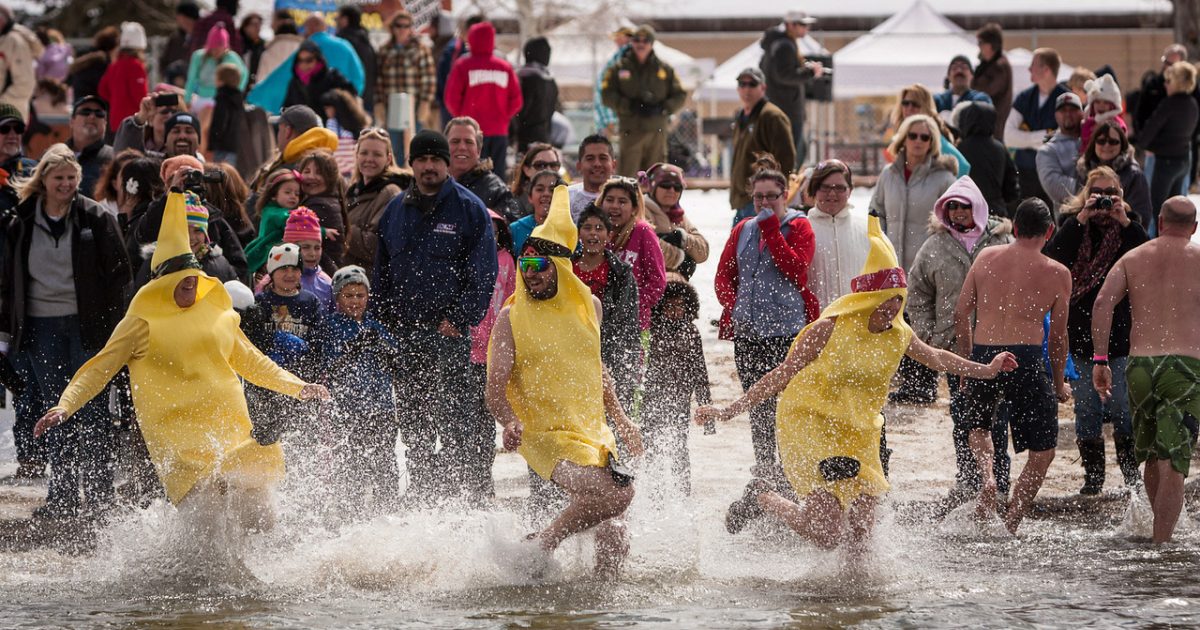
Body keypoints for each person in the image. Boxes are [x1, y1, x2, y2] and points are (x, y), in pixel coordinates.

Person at [698, 215, 1017, 553]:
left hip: (858, 431)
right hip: (810, 422)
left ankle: (854, 598)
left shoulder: (899, 334)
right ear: (867, 297)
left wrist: (987, 369)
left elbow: (938, 358)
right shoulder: (830, 328)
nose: (892, 307)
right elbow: (782, 374)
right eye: (885, 298)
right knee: (826, 532)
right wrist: (727, 410)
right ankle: (763, 497)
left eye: (898, 298)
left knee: (861, 532)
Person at [36, 190, 329, 535]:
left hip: (228, 428)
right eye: (183, 278)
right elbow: (100, 367)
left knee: (261, 521)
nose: (191, 283)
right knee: (207, 531)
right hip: (178, 440)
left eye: (194, 277)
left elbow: (253, 361)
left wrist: (298, 387)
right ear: (163, 282)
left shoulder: (217, 311)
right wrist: (65, 405)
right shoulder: (140, 322)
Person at [486, 185, 644, 580]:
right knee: (617, 492)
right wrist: (510, 421)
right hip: (544, 436)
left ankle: (590, 608)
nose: (533, 276)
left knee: (616, 538)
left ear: (563, 268)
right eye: (527, 267)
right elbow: (495, 385)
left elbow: (597, 369)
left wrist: (622, 419)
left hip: (591, 431)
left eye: (541, 267)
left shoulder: (591, 306)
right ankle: (541, 546)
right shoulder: (511, 318)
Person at [1, 145, 132, 518]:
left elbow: (119, 274)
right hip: (41, 326)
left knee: (92, 411)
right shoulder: (21, 220)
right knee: (54, 412)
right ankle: (62, 497)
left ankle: (99, 497)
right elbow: (8, 281)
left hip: (87, 327)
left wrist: (113, 327)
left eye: (72, 178)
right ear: (43, 179)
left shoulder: (95, 216)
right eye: (58, 178)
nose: (66, 184)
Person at [372, 130, 498, 504]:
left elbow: (484, 272)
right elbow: (382, 273)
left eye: (436, 160)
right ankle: (423, 492)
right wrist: (384, 325)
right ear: (411, 164)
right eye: (422, 160)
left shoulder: (468, 207)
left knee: (456, 419)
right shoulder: (395, 209)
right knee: (412, 419)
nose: (429, 166)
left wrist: (460, 319)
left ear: (447, 164)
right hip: (405, 334)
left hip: (448, 335)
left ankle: (460, 494)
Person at [954, 198, 1072, 534]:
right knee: (1043, 450)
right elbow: (1059, 338)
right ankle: (1011, 523)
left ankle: (989, 477)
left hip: (984, 352)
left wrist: (966, 365)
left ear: (1015, 228)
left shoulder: (986, 257)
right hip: (1027, 357)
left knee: (978, 427)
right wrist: (1059, 382)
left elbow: (960, 313)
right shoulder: (1058, 273)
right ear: (1049, 231)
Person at [1091, 196, 1200, 543]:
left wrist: (1100, 359)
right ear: (1194, 228)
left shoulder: (1133, 257)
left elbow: (1102, 302)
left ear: (1160, 223)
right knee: (1175, 458)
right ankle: (1161, 546)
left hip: (1139, 366)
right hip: (1184, 366)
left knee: (1152, 454)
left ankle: (1158, 534)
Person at [907, 177, 1014, 497]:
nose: (957, 213)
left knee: (998, 416)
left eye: (963, 206)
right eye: (951, 206)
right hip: (955, 348)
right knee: (962, 414)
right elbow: (917, 294)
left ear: (977, 207)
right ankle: (968, 480)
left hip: (998, 344)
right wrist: (930, 335)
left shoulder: (1003, 241)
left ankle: (999, 482)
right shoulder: (934, 245)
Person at [1045, 167, 1148, 494]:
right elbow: (1053, 257)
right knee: (1086, 408)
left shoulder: (1132, 225)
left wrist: (1124, 221)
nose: (1105, 200)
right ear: (1086, 194)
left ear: (1120, 194)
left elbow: (1146, 257)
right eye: (1098, 193)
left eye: (1111, 193)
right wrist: (1082, 217)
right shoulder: (1074, 224)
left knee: (1122, 407)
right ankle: (1093, 479)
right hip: (1079, 329)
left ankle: (1132, 478)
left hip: (1120, 332)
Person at [715, 169, 820, 481]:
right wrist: (735, 307)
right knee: (757, 403)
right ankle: (764, 468)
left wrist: (773, 231)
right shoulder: (742, 229)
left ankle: (793, 470)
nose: (764, 202)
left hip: (787, 331)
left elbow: (796, 269)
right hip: (748, 333)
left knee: (788, 405)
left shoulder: (800, 226)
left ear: (784, 194)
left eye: (771, 196)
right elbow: (724, 276)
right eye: (758, 196)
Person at [315, 265, 401, 515]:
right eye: (348, 295)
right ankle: (348, 513)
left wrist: (384, 346)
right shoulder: (330, 326)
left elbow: (397, 360)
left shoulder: (376, 327)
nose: (354, 301)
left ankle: (388, 510)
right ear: (337, 297)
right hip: (347, 411)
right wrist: (352, 348)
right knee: (350, 463)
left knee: (384, 462)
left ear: (368, 297)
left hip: (382, 409)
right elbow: (327, 365)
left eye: (360, 295)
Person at [643, 279, 711, 495]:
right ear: (661, 307)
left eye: (679, 306)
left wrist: (706, 408)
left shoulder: (691, 333)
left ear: (688, 307)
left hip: (681, 399)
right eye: (669, 306)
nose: (674, 311)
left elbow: (701, 372)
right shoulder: (651, 330)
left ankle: (683, 493)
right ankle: (655, 493)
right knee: (651, 448)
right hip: (651, 399)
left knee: (680, 448)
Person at [573, 204, 641, 411]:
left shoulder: (622, 274)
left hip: (610, 353)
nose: (593, 233)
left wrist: (624, 362)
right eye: (587, 227)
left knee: (613, 414)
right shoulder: (565, 270)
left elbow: (627, 321)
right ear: (577, 234)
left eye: (599, 228)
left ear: (609, 235)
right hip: (572, 350)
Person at [870, 114, 958, 270]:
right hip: (890, 266)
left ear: (931, 142)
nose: (918, 140)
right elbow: (876, 214)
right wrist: (879, 246)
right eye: (912, 136)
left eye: (925, 137)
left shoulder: (945, 178)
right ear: (904, 139)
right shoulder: (887, 174)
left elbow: (954, 222)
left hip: (929, 267)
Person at [600, 25, 687, 177]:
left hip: (656, 131)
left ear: (652, 43)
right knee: (628, 177)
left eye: (645, 40)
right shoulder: (619, 68)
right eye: (636, 40)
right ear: (632, 42)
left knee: (657, 176)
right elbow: (606, 94)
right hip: (631, 130)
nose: (641, 44)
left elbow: (680, 94)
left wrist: (663, 108)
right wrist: (629, 106)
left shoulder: (664, 69)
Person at [444, 22, 523, 179]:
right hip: (499, 131)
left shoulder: (463, 65)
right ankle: (497, 204)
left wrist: (462, 119)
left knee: (470, 174)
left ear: (471, 39)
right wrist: (502, 116)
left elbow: (451, 98)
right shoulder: (504, 66)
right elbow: (517, 100)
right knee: (498, 176)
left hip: (471, 132)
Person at [1133, 61, 1199, 230]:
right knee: (1177, 213)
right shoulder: (1192, 104)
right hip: (1183, 161)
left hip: (1165, 163)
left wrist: (1146, 145)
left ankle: (1159, 250)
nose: (1165, 84)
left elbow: (1147, 134)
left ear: (1177, 82)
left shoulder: (1169, 104)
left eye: (1168, 81)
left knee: (1159, 213)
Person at [730, 67, 796, 224]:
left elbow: (787, 159)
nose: (747, 89)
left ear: (763, 87)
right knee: (739, 247)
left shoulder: (772, 116)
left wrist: (773, 196)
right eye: (742, 84)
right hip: (743, 199)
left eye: (752, 84)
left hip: (762, 201)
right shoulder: (742, 116)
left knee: (757, 247)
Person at [1005, 48, 1068, 206]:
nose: (1029, 69)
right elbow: (1009, 137)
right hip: (1024, 172)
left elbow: (1065, 137)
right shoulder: (1024, 97)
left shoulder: (1066, 99)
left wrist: (1026, 138)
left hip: (1054, 172)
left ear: (1046, 70)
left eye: (1033, 65)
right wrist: (1042, 137)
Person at [602, 177, 666, 333]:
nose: (615, 206)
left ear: (634, 208)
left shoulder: (643, 232)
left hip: (635, 323)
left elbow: (658, 280)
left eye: (622, 201)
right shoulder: (593, 231)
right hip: (598, 319)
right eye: (610, 200)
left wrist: (634, 305)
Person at [803, 159, 869, 310]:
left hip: (856, 323)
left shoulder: (867, 229)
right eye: (825, 187)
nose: (832, 194)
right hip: (814, 325)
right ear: (814, 189)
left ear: (850, 190)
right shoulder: (801, 229)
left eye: (840, 188)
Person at [344, 127, 409, 275]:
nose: (369, 159)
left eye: (377, 154)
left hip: (369, 284)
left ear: (388, 159)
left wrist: (343, 228)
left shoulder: (391, 193)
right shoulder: (351, 190)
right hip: (346, 282)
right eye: (364, 153)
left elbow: (376, 246)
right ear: (357, 156)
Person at [759, 11, 821, 164]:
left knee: (792, 150)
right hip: (787, 108)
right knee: (790, 153)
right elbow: (784, 75)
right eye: (803, 24)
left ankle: (782, 182)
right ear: (790, 25)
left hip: (780, 105)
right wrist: (810, 72)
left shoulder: (775, 44)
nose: (807, 28)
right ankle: (785, 184)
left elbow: (769, 70)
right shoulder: (784, 45)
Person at [248, 105, 338, 196]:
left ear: (288, 131)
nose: (278, 136)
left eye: (279, 130)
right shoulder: (325, 163)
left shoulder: (286, 171)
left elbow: (258, 204)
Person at [445, 116, 523, 220]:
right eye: (455, 141)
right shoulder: (434, 183)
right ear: (445, 148)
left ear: (479, 150)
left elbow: (506, 230)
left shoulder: (496, 190)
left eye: (469, 142)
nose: (462, 147)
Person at [641, 163, 709, 280]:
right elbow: (647, 246)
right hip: (647, 281)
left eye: (677, 187)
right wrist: (680, 259)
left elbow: (703, 252)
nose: (671, 190)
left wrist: (682, 238)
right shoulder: (641, 209)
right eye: (665, 185)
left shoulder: (679, 215)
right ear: (653, 187)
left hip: (674, 283)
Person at [1077, 122, 1152, 227]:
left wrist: (1123, 214)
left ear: (1122, 145)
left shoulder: (1134, 175)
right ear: (1094, 143)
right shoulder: (1083, 170)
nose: (1107, 145)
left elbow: (1143, 217)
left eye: (1113, 142)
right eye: (1101, 141)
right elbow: (1074, 207)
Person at [887, 84, 970, 176]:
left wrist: (945, 186)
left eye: (915, 104)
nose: (909, 108)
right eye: (905, 103)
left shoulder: (930, 134)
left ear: (925, 106)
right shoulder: (902, 132)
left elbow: (963, 166)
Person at [375, 11, 436, 134]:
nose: (402, 29)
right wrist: (379, 103)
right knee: (394, 147)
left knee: (414, 146)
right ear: (392, 28)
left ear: (410, 28)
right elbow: (378, 80)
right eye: (398, 25)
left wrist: (425, 102)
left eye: (406, 26)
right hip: (391, 106)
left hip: (414, 106)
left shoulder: (421, 49)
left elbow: (429, 79)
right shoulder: (384, 51)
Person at [955, 101, 1020, 217]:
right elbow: (1012, 185)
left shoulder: (959, 148)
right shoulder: (1000, 148)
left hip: (966, 212)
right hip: (996, 212)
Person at [244, 169, 303, 276]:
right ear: (273, 195)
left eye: (297, 193)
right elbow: (295, 224)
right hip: (267, 256)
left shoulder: (272, 209)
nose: (293, 196)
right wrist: (321, 231)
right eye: (287, 192)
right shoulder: (275, 213)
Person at [297, 149, 348, 272]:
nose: (311, 177)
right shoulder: (324, 201)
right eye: (307, 171)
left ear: (330, 179)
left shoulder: (320, 207)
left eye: (319, 173)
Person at [282, 41, 358, 120]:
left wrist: (331, 99)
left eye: (309, 60)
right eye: (300, 60)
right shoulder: (295, 82)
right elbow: (287, 107)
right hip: (304, 130)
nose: (304, 64)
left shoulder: (333, 77)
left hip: (331, 129)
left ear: (318, 59)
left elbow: (351, 94)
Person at [1037, 93, 1085, 212]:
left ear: (1082, 113)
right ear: (1056, 115)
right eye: (1063, 110)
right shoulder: (1047, 150)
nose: (1068, 114)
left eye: (1073, 109)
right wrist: (1094, 189)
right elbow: (1055, 187)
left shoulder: (1097, 140)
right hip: (1069, 221)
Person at [98, 23, 149, 136]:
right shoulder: (136, 66)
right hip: (134, 122)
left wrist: (117, 100)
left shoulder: (114, 65)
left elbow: (102, 90)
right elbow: (140, 96)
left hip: (115, 121)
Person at [184, 25, 248, 111]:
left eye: (219, 47)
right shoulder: (199, 57)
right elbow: (191, 79)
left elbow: (244, 74)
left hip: (223, 101)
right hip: (201, 98)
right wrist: (187, 100)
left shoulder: (231, 58)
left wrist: (235, 96)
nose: (216, 51)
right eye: (213, 48)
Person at [281, 207, 334, 310]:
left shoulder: (326, 283)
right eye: (305, 247)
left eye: (317, 248)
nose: (312, 254)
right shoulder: (274, 281)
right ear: (289, 247)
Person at [437, 14, 485, 128]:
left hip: (482, 114)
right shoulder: (454, 51)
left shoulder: (491, 55)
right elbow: (443, 81)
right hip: (454, 113)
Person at [513, 36, 559, 153]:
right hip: (545, 136)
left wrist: (512, 134)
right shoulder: (550, 80)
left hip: (526, 138)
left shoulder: (527, 78)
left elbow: (520, 111)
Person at [1133, 44, 1188, 139]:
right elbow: (1140, 114)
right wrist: (1143, 138)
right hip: (1154, 144)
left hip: (1181, 145)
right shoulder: (1153, 85)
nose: (1166, 66)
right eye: (1165, 61)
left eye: (1172, 64)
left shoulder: (1189, 88)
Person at [65, 96, 113, 199]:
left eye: (99, 113)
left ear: (105, 123)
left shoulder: (114, 159)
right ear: (72, 121)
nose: (92, 116)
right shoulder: (54, 155)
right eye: (85, 111)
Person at [0, 6, 42, 123]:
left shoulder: (14, 41)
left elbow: (24, 83)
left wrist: (3, 104)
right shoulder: (4, 39)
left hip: (8, 114)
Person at [972, 22, 1013, 141]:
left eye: (981, 43)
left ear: (990, 45)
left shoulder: (999, 67)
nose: (979, 47)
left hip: (993, 130)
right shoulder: (989, 65)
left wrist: (971, 80)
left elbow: (984, 90)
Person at [112, 91, 183, 157]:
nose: (170, 116)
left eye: (175, 112)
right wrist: (140, 118)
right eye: (164, 112)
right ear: (150, 120)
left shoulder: (186, 147)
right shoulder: (142, 148)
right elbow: (124, 156)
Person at [335, 5, 377, 114]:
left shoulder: (342, 42)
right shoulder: (365, 40)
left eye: (337, 18)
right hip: (367, 98)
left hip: (348, 101)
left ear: (345, 20)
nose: (336, 22)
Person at [321, 89, 370, 177]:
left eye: (327, 108)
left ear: (336, 107)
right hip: (352, 170)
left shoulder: (331, 124)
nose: (326, 111)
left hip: (345, 171)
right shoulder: (357, 122)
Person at [511, 170, 561, 254]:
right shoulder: (515, 229)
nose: (546, 194)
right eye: (540, 189)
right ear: (530, 197)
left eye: (552, 190)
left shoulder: (569, 230)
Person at [568, 134, 617, 219]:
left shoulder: (625, 197)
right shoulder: (567, 197)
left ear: (613, 165)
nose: (597, 164)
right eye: (590, 158)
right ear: (579, 166)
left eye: (603, 158)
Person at [67, 27, 119, 107]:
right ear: (113, 48)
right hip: (96, 112)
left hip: (79, 110)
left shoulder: (84, 60)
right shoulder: (103, 65)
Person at [934, 55, 992, 121]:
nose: (959, 71)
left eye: (964, 67)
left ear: (972, 75)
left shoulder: (981, 99)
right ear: (948, 76)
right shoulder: (937, 100)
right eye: (954, 68)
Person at [510, 143, 560, 217]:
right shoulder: (514, 204)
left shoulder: (568, 199)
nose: (548, 170)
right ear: (527, 170)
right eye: (540, 165)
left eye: (553, 165)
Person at [1080, 74, 1125, 150]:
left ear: (1112, 105)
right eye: (1097, 102)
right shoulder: (1088, 123)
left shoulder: (1117, 123)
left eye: (1106, 102)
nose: (1101, 105)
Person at [256, 14, 302, 87]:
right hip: (297, 92)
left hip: (273, 92)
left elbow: (260, 79)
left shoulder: (268, 51)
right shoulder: (304, 51)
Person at [161, 2, 200, 79]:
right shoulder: (175, 38)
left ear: (188, 17)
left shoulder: (202, 38)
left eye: (179, 16)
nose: (177, 19)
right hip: (173, 84)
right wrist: (170, 76)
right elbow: (164, 61)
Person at [239, 13, 266, 86]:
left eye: (259, 25)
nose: (257, 27)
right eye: (254, 25)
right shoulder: (238, 43)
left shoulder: (263, 44)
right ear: (245, 27)